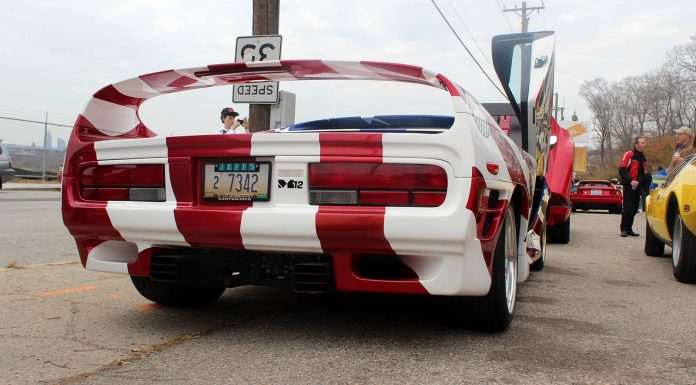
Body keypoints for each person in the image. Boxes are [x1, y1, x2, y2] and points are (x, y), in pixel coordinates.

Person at [618, 136, 648, 237]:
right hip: (629, 185)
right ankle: (624, 229)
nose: (645, 144)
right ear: (636, 145)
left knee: (635, 208)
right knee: (628, 207)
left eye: (645, 142)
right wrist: (631, 181)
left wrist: (644, 186)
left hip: (639, 186)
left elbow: (642, 173)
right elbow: (622, 170)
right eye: (643, 142)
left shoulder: (643, 157)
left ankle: (629, 228)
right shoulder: (629, 154)